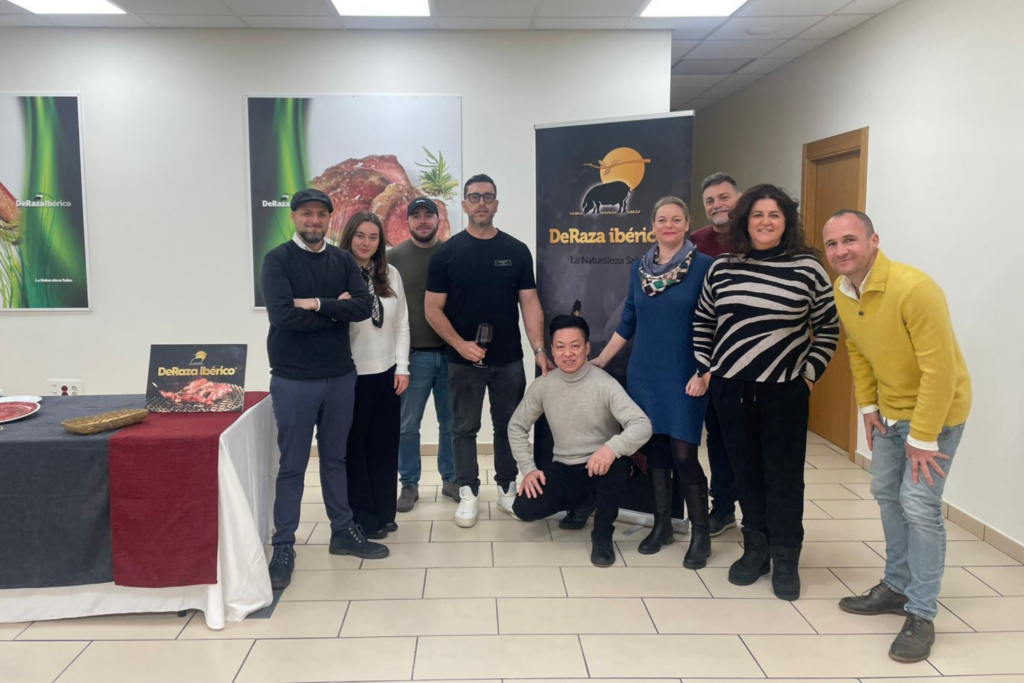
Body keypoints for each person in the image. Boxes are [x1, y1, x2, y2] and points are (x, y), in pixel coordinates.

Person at [823, 210, 971, 663]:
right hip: (889, 413)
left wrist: (922, 437)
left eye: (850, 240)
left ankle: (921, 614)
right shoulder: (843, 289)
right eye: (832, 244)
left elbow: (940, 370)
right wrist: (868, 407)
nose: (841, 251)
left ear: (874, 241)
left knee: (919, 506)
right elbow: (857, 348)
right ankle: (896, 585)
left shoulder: (914, 288)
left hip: (937, 416)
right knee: (887, 494)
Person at [691, 184, 839, 600]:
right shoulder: (722, 268)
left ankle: (786, 556)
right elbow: (703, 321)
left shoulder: (808, 269)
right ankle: (755, 549)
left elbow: (828, 327)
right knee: (745, 473)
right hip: (731, 391)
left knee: (784, 477)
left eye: (774, 214)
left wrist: (808, 376)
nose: (765, 222)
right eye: (758, 214)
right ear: (745, 220)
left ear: (786, 221)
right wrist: (708, 368)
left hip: (785, 392)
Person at [260, 188, 389, 591]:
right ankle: (284, 546)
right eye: (306, 213)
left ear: (330, 219)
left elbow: (362, 307)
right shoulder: (277, 260)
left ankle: (342, 532)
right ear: (294, 217)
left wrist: (316, 304)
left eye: (321, 214)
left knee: (335, 459)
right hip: (293, 379)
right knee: (293, 466)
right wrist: (336, 308)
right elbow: (283, 317)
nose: (314, 220)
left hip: (339, 376)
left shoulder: (343, 260)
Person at [593, 196, 714, 569]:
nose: (669, 225)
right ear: (653, 226)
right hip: (644, 374)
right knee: (656, 451)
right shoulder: (639, 270)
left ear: (687, 224)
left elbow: (717, 321)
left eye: (676, 219)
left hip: (686, 375)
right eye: (662, 219)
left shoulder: (705, 267)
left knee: (684, 453)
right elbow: (629, 318)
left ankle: (702, 535)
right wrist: (601, 360)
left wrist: (706, 371)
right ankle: (663, 526)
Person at [425, 174, 552, 528]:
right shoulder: (446, 253)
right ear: (464, 204)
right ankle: (468, 492)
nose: (481, 202)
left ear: (496, 203)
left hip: (508, 359)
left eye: (488, 196)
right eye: (474, 197)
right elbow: (432, 309)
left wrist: (539, 349)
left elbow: (530, 303)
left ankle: (507, 489)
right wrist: (460, 344)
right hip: (462, 361)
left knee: (509, 427)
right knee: (463, 428)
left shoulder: (516, 250)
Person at [509, 305, 652, 567]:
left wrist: (611, 448)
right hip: (566, 467)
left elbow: (642, 424)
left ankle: (602, 534)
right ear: (552, 350)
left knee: (617, 466)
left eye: (575, 346)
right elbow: (516, 426)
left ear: (587, 348)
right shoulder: (543, 385)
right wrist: (528, 469)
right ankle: (584, 504)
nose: (568, 353)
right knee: (524, 509)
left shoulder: (604, 383)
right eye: (560, 347)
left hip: (601, 465)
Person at [339, 210, 409, 539]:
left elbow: (401, 324)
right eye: (360, 235)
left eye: (373, 237)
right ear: (349, 237)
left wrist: (402, 367)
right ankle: (363, 516)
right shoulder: (337, 273)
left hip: (386, 373)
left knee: (384, 445)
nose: (366, 243)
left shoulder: (390, 274)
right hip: (350, 375)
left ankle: (384, 510)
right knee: (356, 447)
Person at [389, 197, 459, 512]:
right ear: (407, 221)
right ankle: (409, 484)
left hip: (450, 354)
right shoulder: (392, 258)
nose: (422, 221)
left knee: (451, 422)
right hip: (412, 357)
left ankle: (451, 479)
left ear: (438, 219)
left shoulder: (453, 252)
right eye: (415, 215)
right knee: (407, 425)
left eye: (428, 215)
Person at [688, 172, 743, 536]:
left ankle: (756, 512)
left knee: (744, 441)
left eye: (724, 197)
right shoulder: (694, 243)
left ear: (740, 198)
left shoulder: (756, 239)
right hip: (704, 358)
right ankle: (722, 507)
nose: (717, 205)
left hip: (748, 361)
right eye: (710, 200)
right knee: (717, 438)